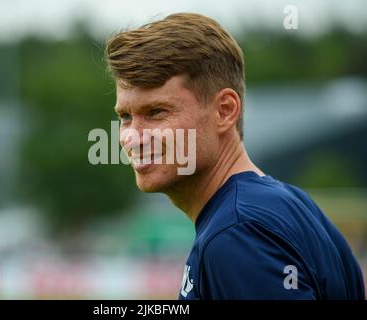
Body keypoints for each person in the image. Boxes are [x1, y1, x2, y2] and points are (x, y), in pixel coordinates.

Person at [104, 12, 365, 299]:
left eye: (156, 112)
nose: (133, 137)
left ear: (225, 110)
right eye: (125, 116)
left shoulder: (237, 233)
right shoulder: (284, 204)